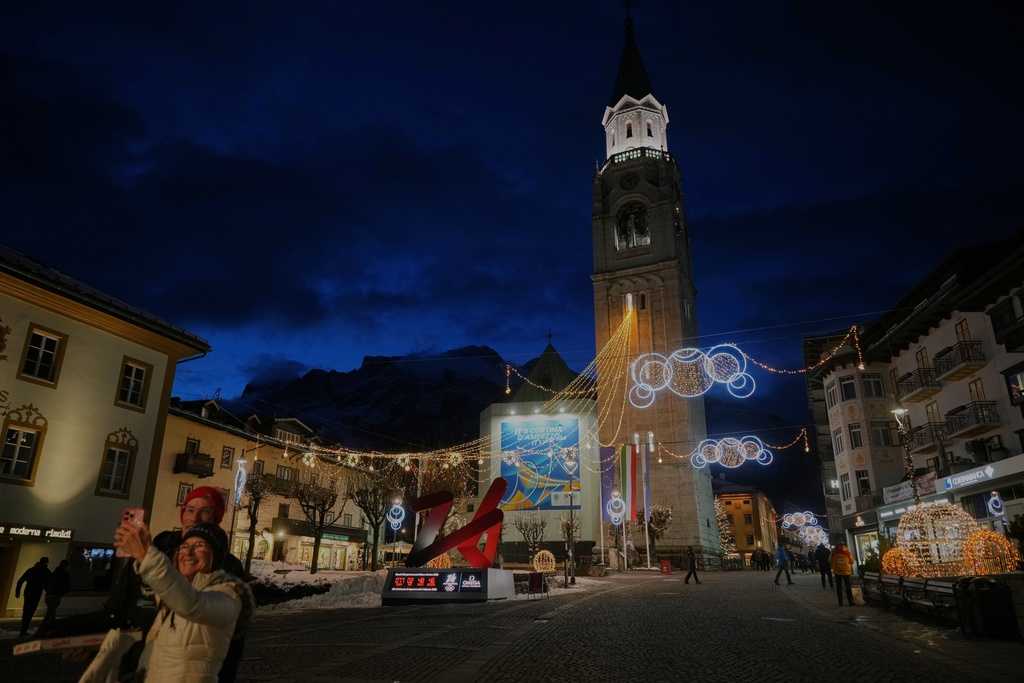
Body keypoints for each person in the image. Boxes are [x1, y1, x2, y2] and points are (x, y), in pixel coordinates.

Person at [81, 521, 253, 683]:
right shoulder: (169, 598)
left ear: (217, 556)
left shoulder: (228, 596)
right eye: (184, 546)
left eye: (199, 545)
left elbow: (192, 605)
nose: (188, 552)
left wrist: (146, 556)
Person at [15, 557, 50, 637]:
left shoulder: (32, 570)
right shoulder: (45, 572)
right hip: (36, 594)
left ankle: (23, 630)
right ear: (46, 563)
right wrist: (49, 592)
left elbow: (20, 581)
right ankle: (24, 630)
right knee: (30, 612)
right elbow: (47, 584)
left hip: (28, 593)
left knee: (26, 611)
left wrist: (17, 592)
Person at [43, 560, 72, 627]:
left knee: (51, 611)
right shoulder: (65, 574)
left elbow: (47, 583)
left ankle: (49, 626)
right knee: (51, 612)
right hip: (55, 595)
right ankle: (46, 626)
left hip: (49, 594)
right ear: (66, 566)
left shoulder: (54, 573)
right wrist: (64, 592)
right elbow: (66, 585)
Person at [831, 542, 855, 606]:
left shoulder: (834, 553)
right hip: (846, 572)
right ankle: (850, 602)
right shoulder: (847, 552)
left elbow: (831, 561)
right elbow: (852, 561)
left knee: (839, 587)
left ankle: (840, 602)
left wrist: (834, 568)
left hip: (837, 572)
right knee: (848, 587)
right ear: (844, 546)